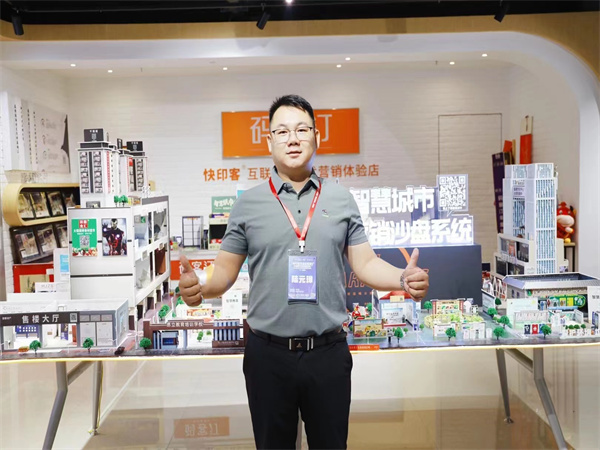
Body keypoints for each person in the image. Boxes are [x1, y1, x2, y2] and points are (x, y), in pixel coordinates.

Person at [179, 94, 429, 449]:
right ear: (269, 141)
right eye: (282, 131)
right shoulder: (248, 204)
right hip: (267, 356)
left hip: (328, 353)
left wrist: (402, 278)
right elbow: (224, 271)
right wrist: (200, 287)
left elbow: (365, 263)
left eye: (301, 129)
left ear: (316, 136)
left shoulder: (340, 199)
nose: (292, 139)